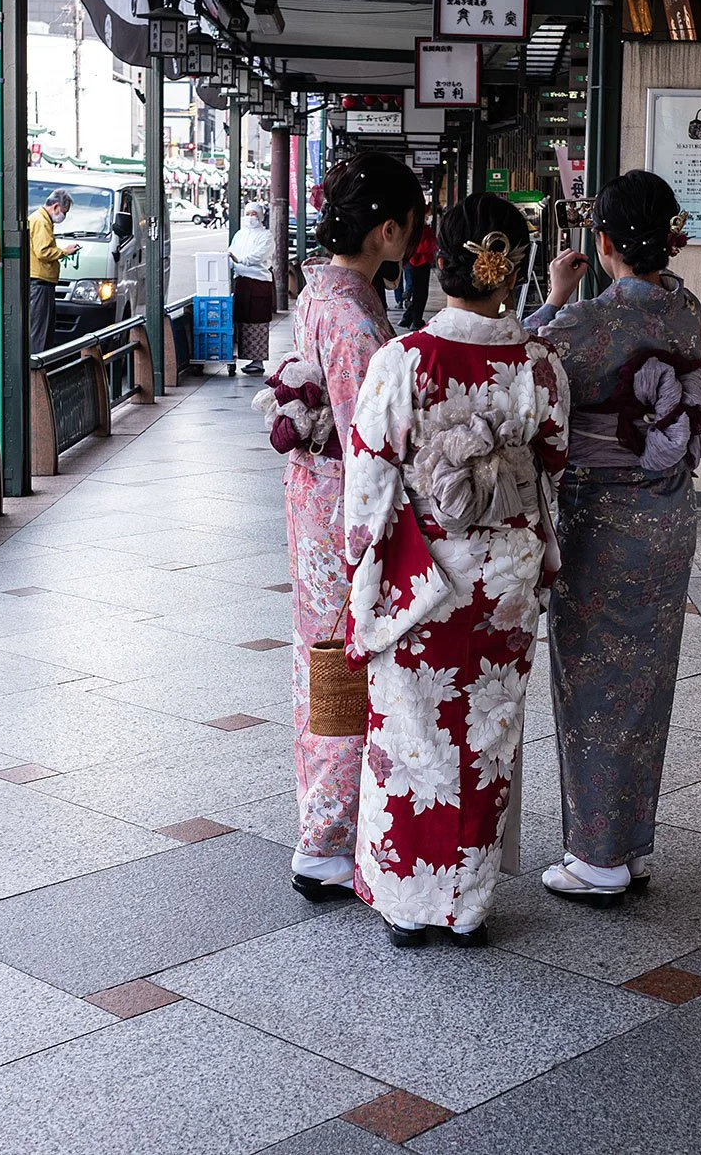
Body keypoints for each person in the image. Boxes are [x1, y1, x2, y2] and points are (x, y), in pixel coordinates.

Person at [342, 193, 570, 946]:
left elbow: (370, 480)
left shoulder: (404, 360)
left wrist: (361, 563)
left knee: (413, 731)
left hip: (425, 581)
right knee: (487, 733)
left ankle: (410, 904)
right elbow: (553, 466)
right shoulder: (538, 365)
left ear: (441, 266)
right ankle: (468, 907)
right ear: (513, 272)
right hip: (504, 579)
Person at [524, 170, 701, 905]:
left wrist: (554, 293)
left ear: (601, 242)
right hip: (668, 516)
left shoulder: (590, 322)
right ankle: (632, 844)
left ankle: (597, 853)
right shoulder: (684, 305)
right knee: (646, 681)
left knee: (593, 681)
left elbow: (522, 364)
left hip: (602, 517)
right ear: (668, 236)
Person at [252, 153, 424, 907]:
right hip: (337, 509)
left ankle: (330, 826)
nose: (415, 240)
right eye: (411, 228)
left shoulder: (327, 285)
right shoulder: (353, 313)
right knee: (338, 660)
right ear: (387, 229)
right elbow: (368, 437)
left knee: (324, 657)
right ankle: (322, 840)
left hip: (312, 498)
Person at [26, 188, 78, 355]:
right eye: (64, 212)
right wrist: (64, 252)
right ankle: (36, 373)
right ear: (56, 207)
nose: (64, 216)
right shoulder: (41, 221)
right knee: (40, 333)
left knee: (42, 330)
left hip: (41, 283)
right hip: (40, 283)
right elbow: (43, 252)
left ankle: (39, 370)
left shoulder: (41, 219)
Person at [227, 201, 276, 375]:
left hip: (258, 283)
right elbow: (230, 252)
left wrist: (240, 260)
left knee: (258, 320)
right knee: (242, 320)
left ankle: (258, 361)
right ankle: (247, 357)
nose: (250, 217)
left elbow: (259, 255)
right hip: (242, 281)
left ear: (261, 216)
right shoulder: (240, 234)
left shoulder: (266, 236)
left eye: (254, 214)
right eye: (248, 213)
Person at [399, 209, 437, 330]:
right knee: (420, 292)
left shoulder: (406, 228)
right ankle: (416, 320)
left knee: (412, 287)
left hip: (409, 262)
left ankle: (407, 317)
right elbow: (429, 246)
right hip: (421, 263)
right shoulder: (423, 229)